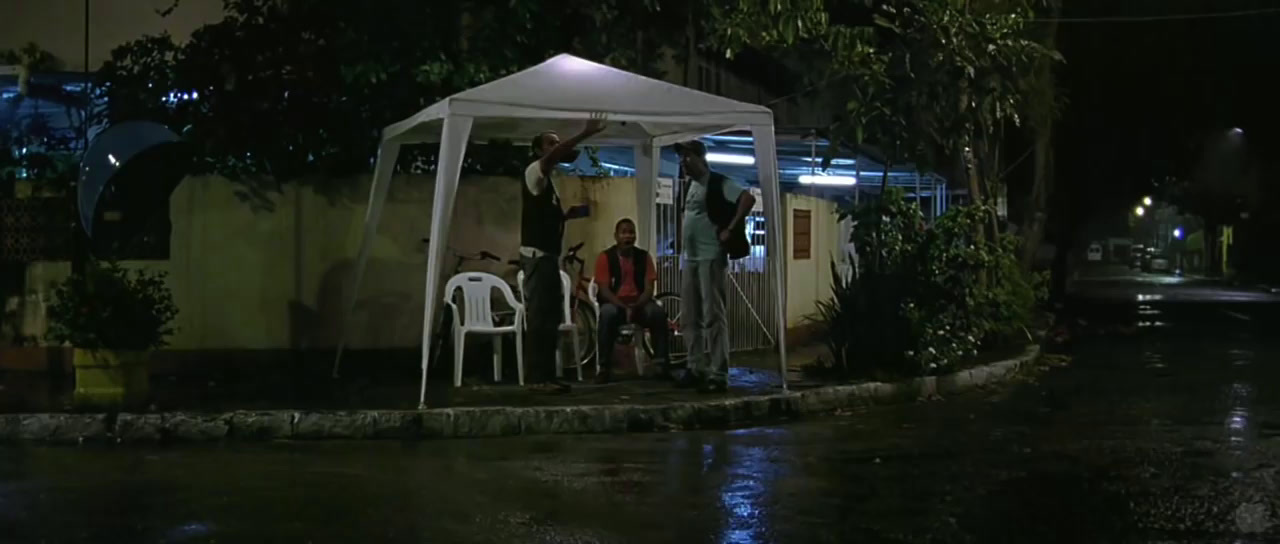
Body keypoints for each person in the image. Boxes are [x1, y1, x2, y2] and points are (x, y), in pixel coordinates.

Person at [521, 115, 608, 392]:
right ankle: (537, 379)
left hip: (547, 256)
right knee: (539, 318)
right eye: (550, 143)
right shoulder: (535, 171)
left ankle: (546, 375)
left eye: (557, 143)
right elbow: (552, 159)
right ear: (538, 150)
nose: (555, 147)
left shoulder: (549, 184)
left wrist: (565, 216)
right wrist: (584, 133)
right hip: (538, 256)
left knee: (549, 318)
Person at [673, 140, 755, 393]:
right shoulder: (688, 186)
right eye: (681, 158)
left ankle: (718, 372)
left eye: (687, 157)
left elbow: (747, 198)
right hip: (692, 257)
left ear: (700, 158)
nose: (683, 162)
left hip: (711, 256)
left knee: (713, 315)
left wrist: (730, 229)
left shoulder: (718, 182)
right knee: (690, 316)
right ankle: (695, 366)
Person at [593, 218, 669, 383]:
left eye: (631, 232)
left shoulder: (644, 257)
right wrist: (623, 306)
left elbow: (649, 288)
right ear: (616, 236)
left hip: (639, 305)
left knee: (657, 312)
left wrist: (636, 305)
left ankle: (661, 364)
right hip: (616, 304)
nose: (628, 236)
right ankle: (604, 367)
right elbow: (604, 290)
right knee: (606, 314)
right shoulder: (605, 257)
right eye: (624, 233)